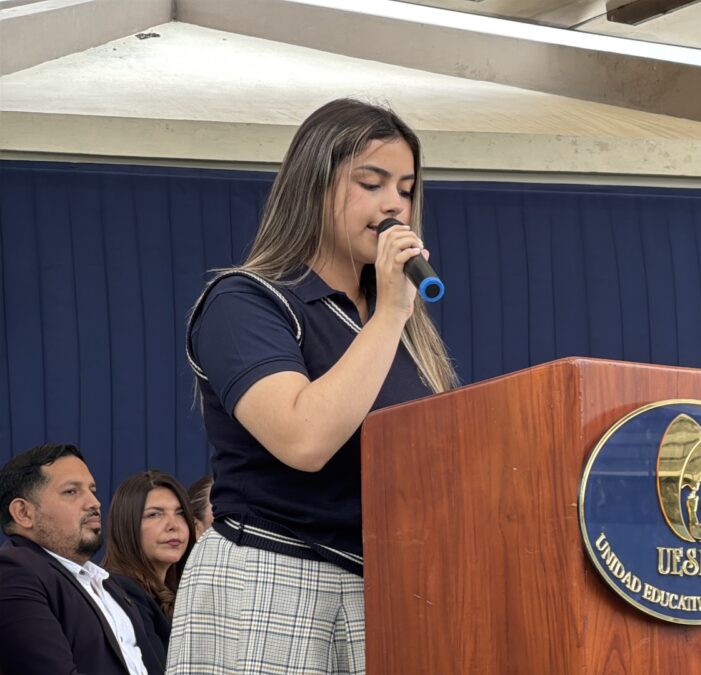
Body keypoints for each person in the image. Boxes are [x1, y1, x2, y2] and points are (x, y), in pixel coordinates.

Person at [168, 98, 457, 675]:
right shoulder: (246, 301)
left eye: (405, 190)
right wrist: (389, 314)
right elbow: (304, 438)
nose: (393, 205)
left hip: (383, 586)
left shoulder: (396, 322)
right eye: (371, 183)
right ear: (312, 188)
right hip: (273, 575)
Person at [0, 443, 164, 675]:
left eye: (92, 490)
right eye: (71, 492)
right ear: (24, 513)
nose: (94, 503)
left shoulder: (110, 585)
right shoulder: (14, 572)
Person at [103, 470, 197, 669]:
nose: (173, 525)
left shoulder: (181, 592)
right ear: (127, 525)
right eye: (154, 514)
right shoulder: (121, 592)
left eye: (180, 513)